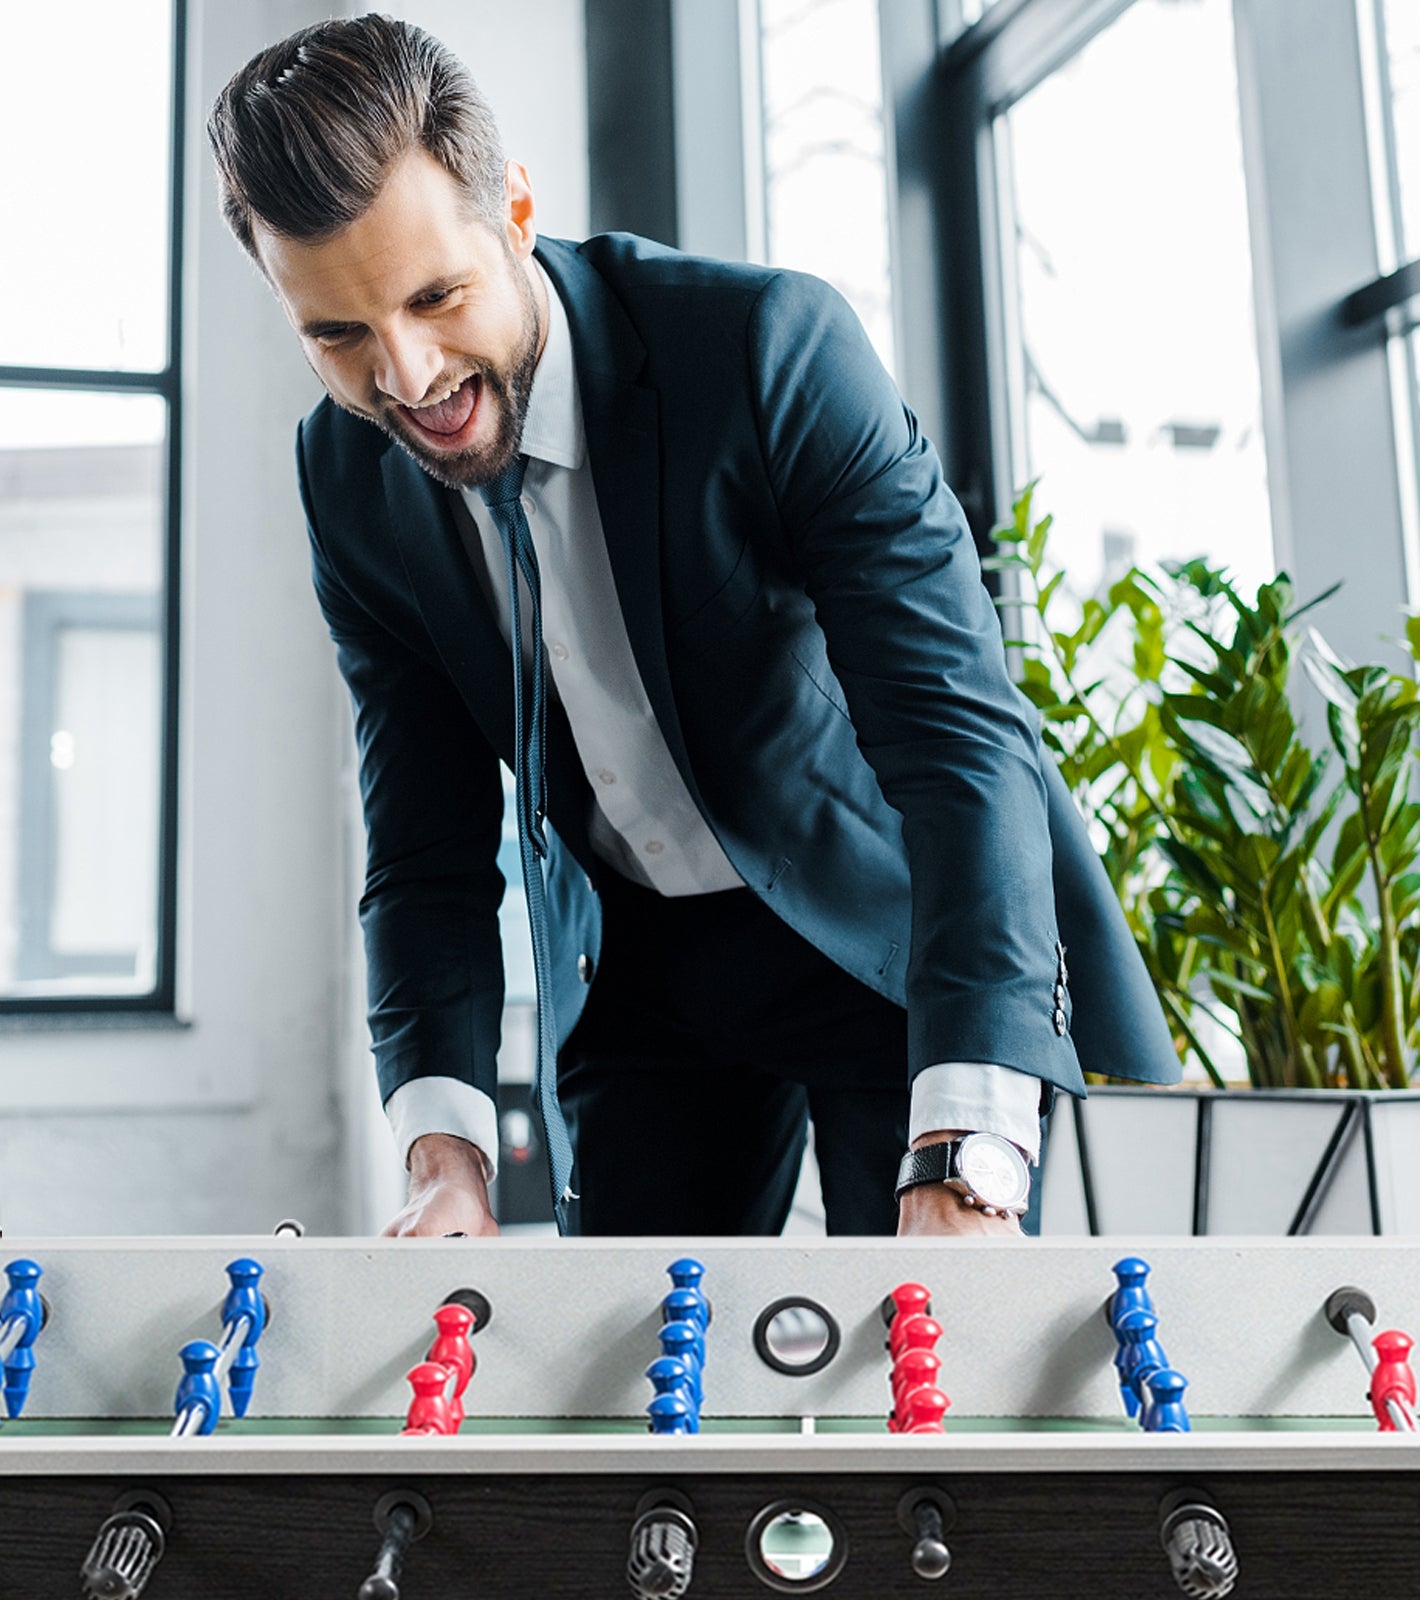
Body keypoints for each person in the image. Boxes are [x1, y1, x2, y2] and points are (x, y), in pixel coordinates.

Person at [206, 15, 1179, 1241]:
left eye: (435, 297)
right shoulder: (344, 474)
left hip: (890, 930)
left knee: (953, 1364)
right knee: (636, 1407)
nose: (405, 377)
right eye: (336, 334)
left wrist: (965, 1148)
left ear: (513, 208)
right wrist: (441, 1157)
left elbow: (958, 739)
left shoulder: (771, 349)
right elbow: (423, 845)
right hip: (641, 975)